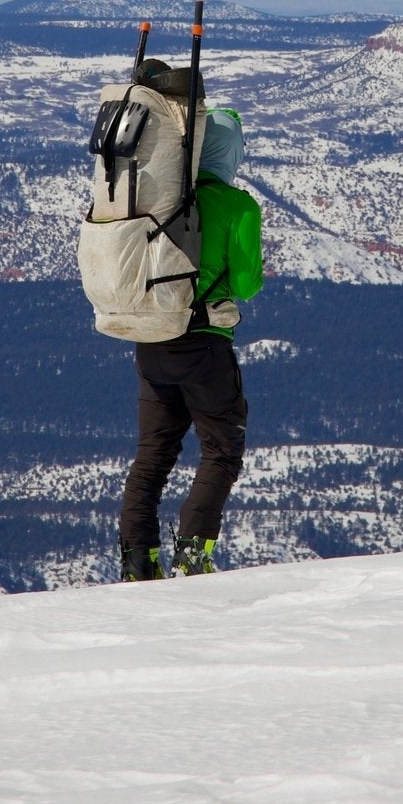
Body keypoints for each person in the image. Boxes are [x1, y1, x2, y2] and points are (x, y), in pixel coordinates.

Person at [118, 86, 264, 581]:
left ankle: (138, 557)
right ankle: (193, 551)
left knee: (154, 453)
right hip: (202, 343)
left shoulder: (163, 198)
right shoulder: (236, 205)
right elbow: (247, 282)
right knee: (222, 449)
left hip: (150, 336)